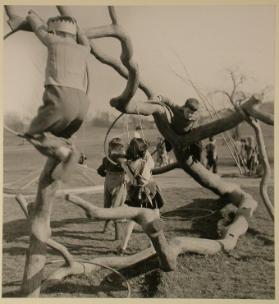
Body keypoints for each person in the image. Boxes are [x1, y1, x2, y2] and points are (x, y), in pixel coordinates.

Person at [24, 11, 91, 179]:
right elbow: (83, 36)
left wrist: (32, 15)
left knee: (33, 133)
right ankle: (69, 152)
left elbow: (38, 28)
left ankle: (66, 154)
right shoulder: (84, 49)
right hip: (82, 104)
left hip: (60, 97)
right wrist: (78, 28)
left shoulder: (53, 41)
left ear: (53, 32)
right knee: (63, 136)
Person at [116, 137, 165, 254]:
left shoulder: (125, 164)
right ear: (142, 152)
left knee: (131, 221)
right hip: (149, 192)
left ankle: (123, 246)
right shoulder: (145, 162)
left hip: (135, 193)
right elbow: (152, 164)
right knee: (155, 219)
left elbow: (124, 163)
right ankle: (154, 246)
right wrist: (146, 153)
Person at [97, 137, 127, 240]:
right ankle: (118, 236)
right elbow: (128, 168)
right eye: (122, 148)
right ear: (120, 148)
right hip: (118, 183)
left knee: (108, 205)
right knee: (117, 208)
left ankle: (106, 228)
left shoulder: (106, 158)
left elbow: (100, 171)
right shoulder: (121, 158)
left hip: (108, 182)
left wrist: (107, 170)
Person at [158, 96, 203, 162]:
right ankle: (165, 153)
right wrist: (161, 98)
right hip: (174, 130)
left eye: (192, 113)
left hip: (186, 132)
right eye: (188, 112)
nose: (189, 115)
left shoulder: (195, 116)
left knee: (198, 144)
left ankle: (197, 159)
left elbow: (195, 125)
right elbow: (170, 102)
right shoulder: (178, 110)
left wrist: (193, 129)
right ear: (184, 108)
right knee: (167, 146)